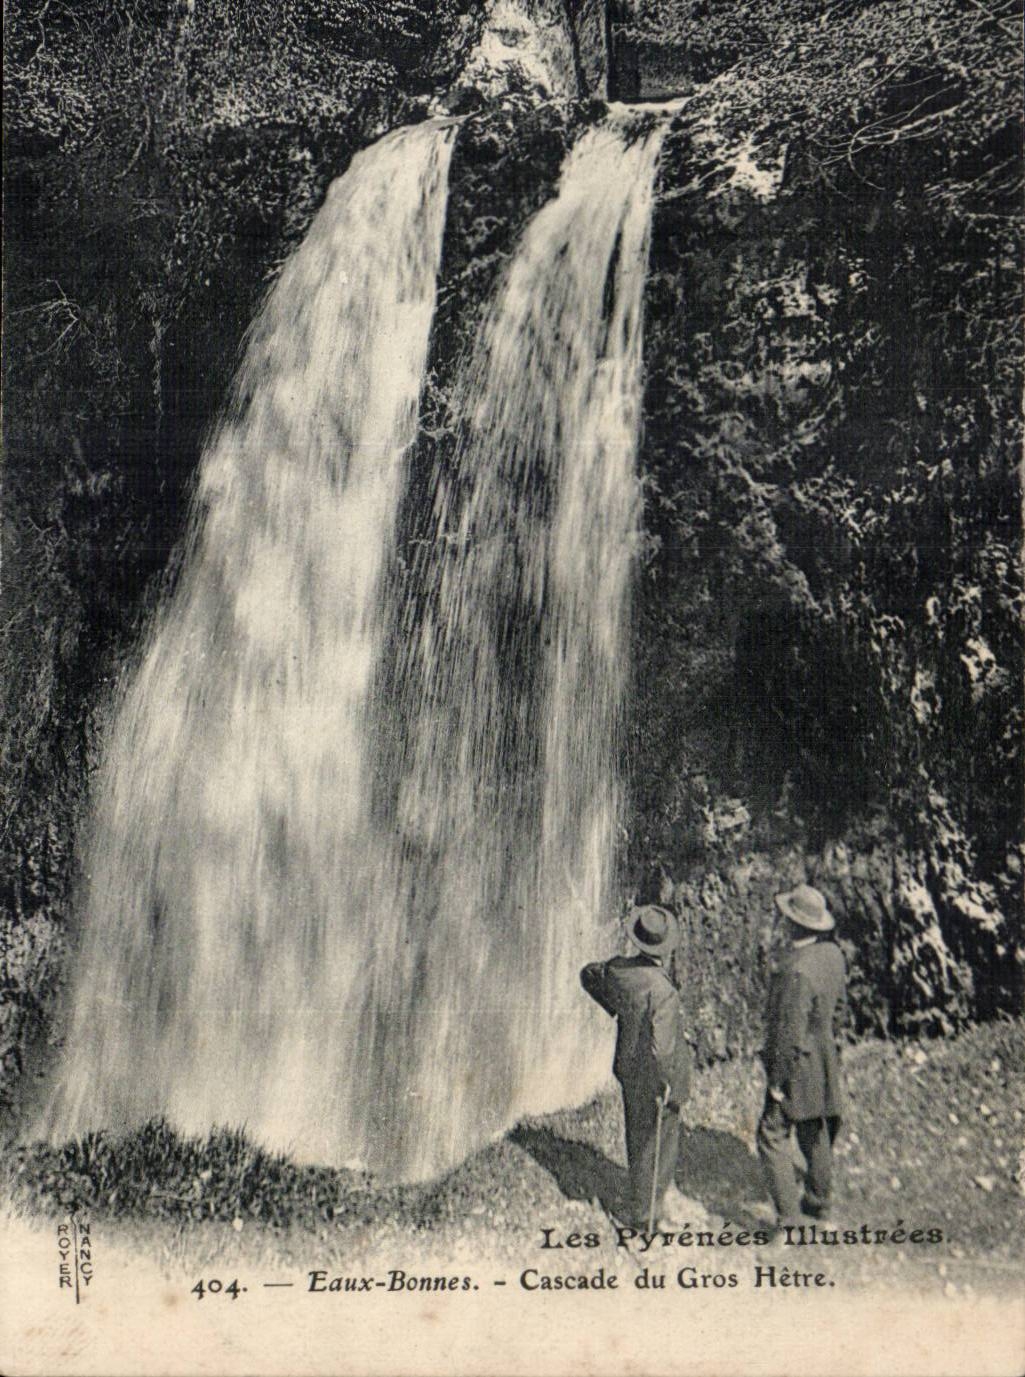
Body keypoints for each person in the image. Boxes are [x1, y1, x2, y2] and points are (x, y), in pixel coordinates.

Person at [581, 904, 693, 1229]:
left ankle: (642, 1203)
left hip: (629, 1067)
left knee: (637, 1135)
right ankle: (647, 1216)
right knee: (660, 1143)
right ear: (665, 948)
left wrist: (616, 1008)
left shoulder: (618, 970)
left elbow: (588, 974)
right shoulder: (664, 991)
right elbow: (662, 1050)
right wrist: (665, 1082)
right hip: (656, 1076)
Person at [757, 883, 847, 1229]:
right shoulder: (833, 955)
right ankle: (819, 1203)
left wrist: (777, 1083)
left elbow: (789, 1035)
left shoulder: (797, 972)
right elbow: (839, 1010)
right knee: (814, 1126)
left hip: (799, 1063)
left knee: (771, 1135)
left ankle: (789, 1220)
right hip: (824, 1056)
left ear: (794, 924)